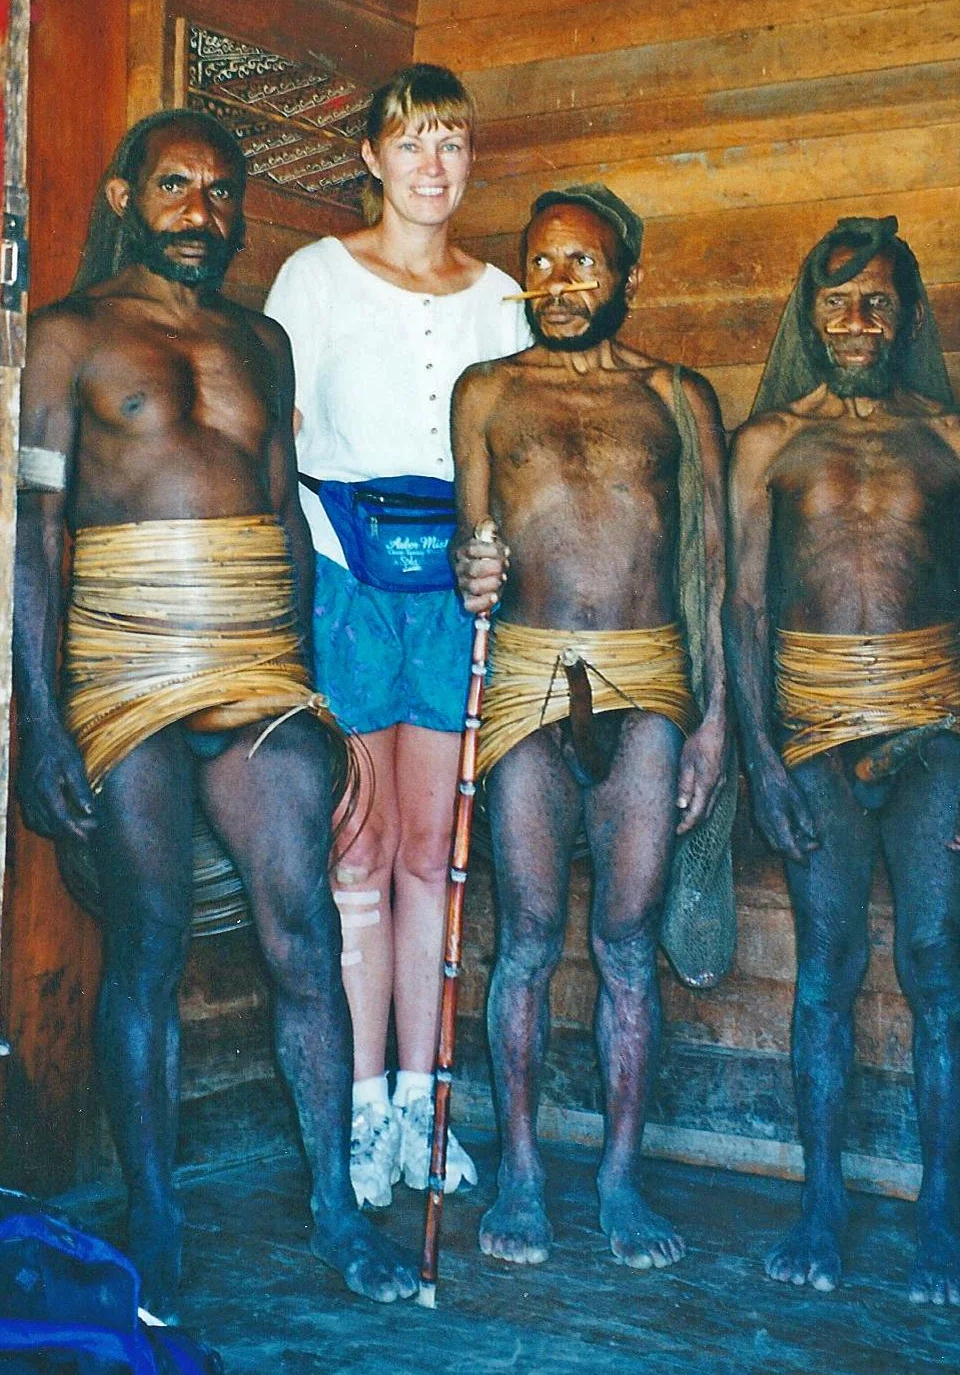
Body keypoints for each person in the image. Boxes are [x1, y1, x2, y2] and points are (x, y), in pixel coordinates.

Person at [12, 108, 418, 1319]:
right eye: (178, 184)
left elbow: (288, 520)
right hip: (126, 669)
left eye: (223, 189)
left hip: (256, 670)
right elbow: (32, 538)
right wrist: (38, 720)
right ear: (128, 196)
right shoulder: (66, 337)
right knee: (148, 942)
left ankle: (336, 1208)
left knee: (300, 930)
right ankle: (157, 1218)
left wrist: (308, 684)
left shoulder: (266, 342)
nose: (205, 208)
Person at [724, 216, 960, 1306]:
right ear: (810, 314)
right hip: (808, 731)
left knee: (937, 963)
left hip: (933, 724)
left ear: (905, 315)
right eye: (837, 301)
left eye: (877, 302)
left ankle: (936, 1211)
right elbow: (741, 604)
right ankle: (820, 1200)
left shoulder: (958, 439)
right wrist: (757, 754)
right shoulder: (765, 443)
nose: (855, 321)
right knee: (826, 965)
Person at [450, 184, 733, 1270]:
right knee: (522, 937)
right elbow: (471, 540)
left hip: (646, 680)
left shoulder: (674, 393)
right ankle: (519, 1166)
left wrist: (707, 725)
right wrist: (471, 567)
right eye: (543, 261)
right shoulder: (487, 392)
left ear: (626, 277)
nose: (559, 282)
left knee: (624, 938)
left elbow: (706, 567)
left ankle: (619, 1175)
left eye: (583, 263)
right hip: (526, 677)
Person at [264, 64, 530, 1210]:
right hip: (347, 574)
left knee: (432, 853)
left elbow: (519, 453)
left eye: (452, 145)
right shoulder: (313, 277)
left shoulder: (502, 296)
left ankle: (427, 1113)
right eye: (411, 143)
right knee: (357, 853)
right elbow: (279, 438)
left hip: (454, 586)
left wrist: (494, 551)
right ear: (369, 158)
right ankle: (362, 1111)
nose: (433, 166)